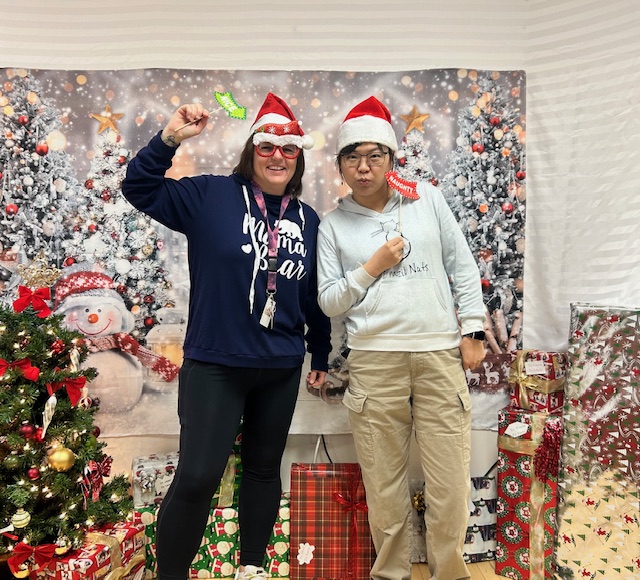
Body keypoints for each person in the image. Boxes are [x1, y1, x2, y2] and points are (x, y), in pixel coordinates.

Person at [122, 92, 331, 580]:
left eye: (289, 149)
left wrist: (319, 351)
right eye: (267, 147)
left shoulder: (308, 219)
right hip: (216, 363)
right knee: (197, 477)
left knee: (263, 472)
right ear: (250, 151)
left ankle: (252, 569)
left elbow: (314, 293)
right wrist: (170, 138)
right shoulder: (209, 196)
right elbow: (139, 187)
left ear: (298, 158)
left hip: (279, 365)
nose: (278, 156)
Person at [316, 96, 486, 580]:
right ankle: (389, 573)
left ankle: (449, 573)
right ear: (340, 167)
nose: (364, 166)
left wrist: (471, 327)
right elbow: (330, 301)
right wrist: (372, 268)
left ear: (392, 160)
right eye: (353, 156)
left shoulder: (425, 198)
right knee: (384, 485)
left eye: (375, 154)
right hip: (374, 363)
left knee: (450, 481)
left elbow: (462, 264)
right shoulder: (333, 226)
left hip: (437, 355)